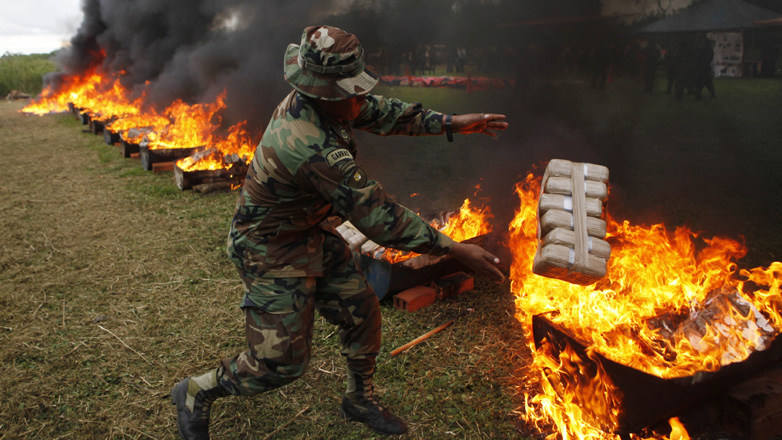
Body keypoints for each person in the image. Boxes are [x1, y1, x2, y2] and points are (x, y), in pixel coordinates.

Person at [170, 25, 508, 439]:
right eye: (353, 92)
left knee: (362, 309)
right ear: (325, 93)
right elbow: (378, 215)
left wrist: (451, 122)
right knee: (280, 365)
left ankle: (358, 399)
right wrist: (453, 248)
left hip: (307, 230)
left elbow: (382, 111)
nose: (361, 100)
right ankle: (196, 391)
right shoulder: (308, 143)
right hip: (269, 248)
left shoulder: (327, 103)